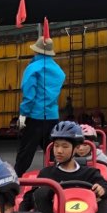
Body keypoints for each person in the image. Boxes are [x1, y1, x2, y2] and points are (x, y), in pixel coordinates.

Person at [21, 120, 107, 213]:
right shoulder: (47, 174)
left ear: (76, 148)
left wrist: (102, 190)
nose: (59, 151)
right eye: (56, 146)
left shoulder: (89, 173)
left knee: (105, 204)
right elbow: (28, 200)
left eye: (65, 146)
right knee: (40, 192)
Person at [13, 34, 66, 177]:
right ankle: (59, 179)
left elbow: (29, 95)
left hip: (35, 116)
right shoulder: (59, 71)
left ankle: (15, 179)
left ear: (36, 50)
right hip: (52, 116)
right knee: (53, 152)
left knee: (25, 152)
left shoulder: (33, 68)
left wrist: (23, 114)